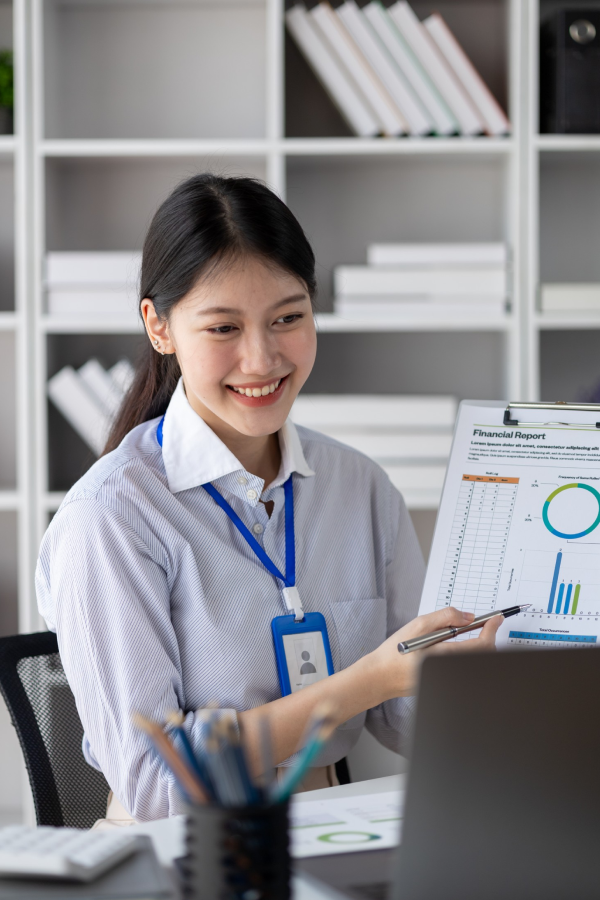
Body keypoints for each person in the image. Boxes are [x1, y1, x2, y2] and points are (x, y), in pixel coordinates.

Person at [36, 174, 499, 823]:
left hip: (337, 827)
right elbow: (153, 781)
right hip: (184, 854)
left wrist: (501, 665)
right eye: (223, 327)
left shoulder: (359, 488)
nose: (262, 359)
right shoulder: (110, 517)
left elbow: (403, 720)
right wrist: (364, 682)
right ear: (159, 326)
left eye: (288, 318)